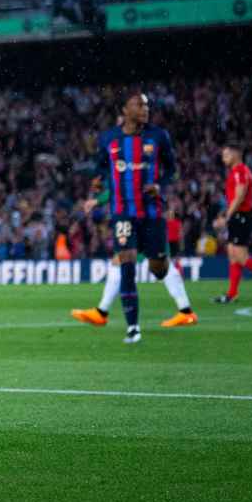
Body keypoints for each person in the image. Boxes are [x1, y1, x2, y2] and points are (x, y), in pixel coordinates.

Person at [70, 92, 194, 342]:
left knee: (158, 267)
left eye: (147, 105)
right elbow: (101, 168)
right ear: (125, 110)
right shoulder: (109, 139)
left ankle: (185, 309)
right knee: (125, 264)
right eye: (139, 105)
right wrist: (97, 185)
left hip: (152, 212)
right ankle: (132, 328)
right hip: (122, 213)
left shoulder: (159, 136)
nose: (145, 109)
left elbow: (172, 170)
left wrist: (158, 183)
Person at [213, 142, 252, 303]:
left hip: (242, 217)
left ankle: (232, 294)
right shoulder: (236, 171)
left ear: (236, 155)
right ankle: (232, 294)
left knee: (241, 256)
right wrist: (225, 214)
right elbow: (234, 198)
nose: (224, 159)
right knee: (232, 254)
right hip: (238, 216)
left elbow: (239, 197)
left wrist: (226, 218)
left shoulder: (240, 171)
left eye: (226, 155)